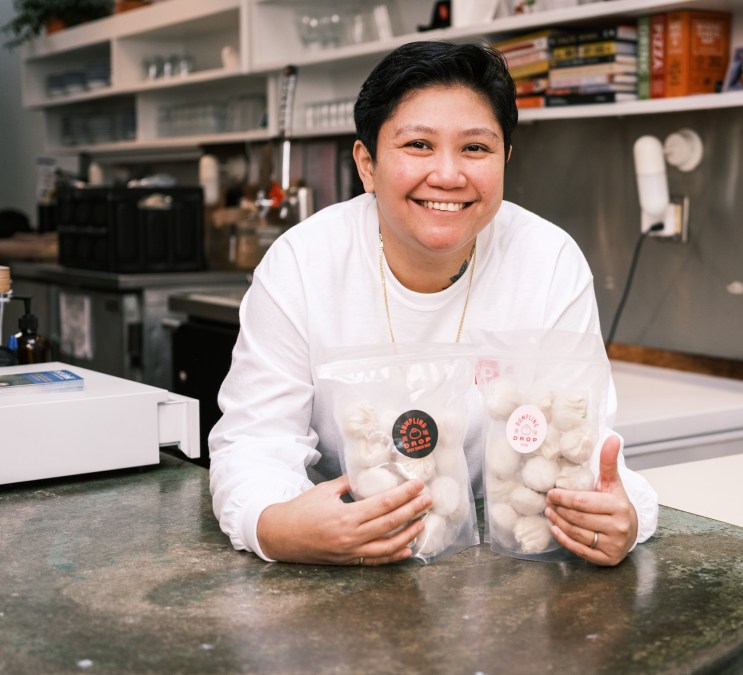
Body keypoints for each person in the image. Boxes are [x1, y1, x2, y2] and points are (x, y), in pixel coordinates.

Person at [208, 40, 658, 567]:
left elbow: (584, 445)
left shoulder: (548, 261)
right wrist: (276, 528)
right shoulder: (303, 263)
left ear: (505, 160)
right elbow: (255, 443)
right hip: (341, 550)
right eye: (419, 145)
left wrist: (621, 518)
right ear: (367, 164)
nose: (448, 175)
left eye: (476, 148)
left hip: (504, 558)